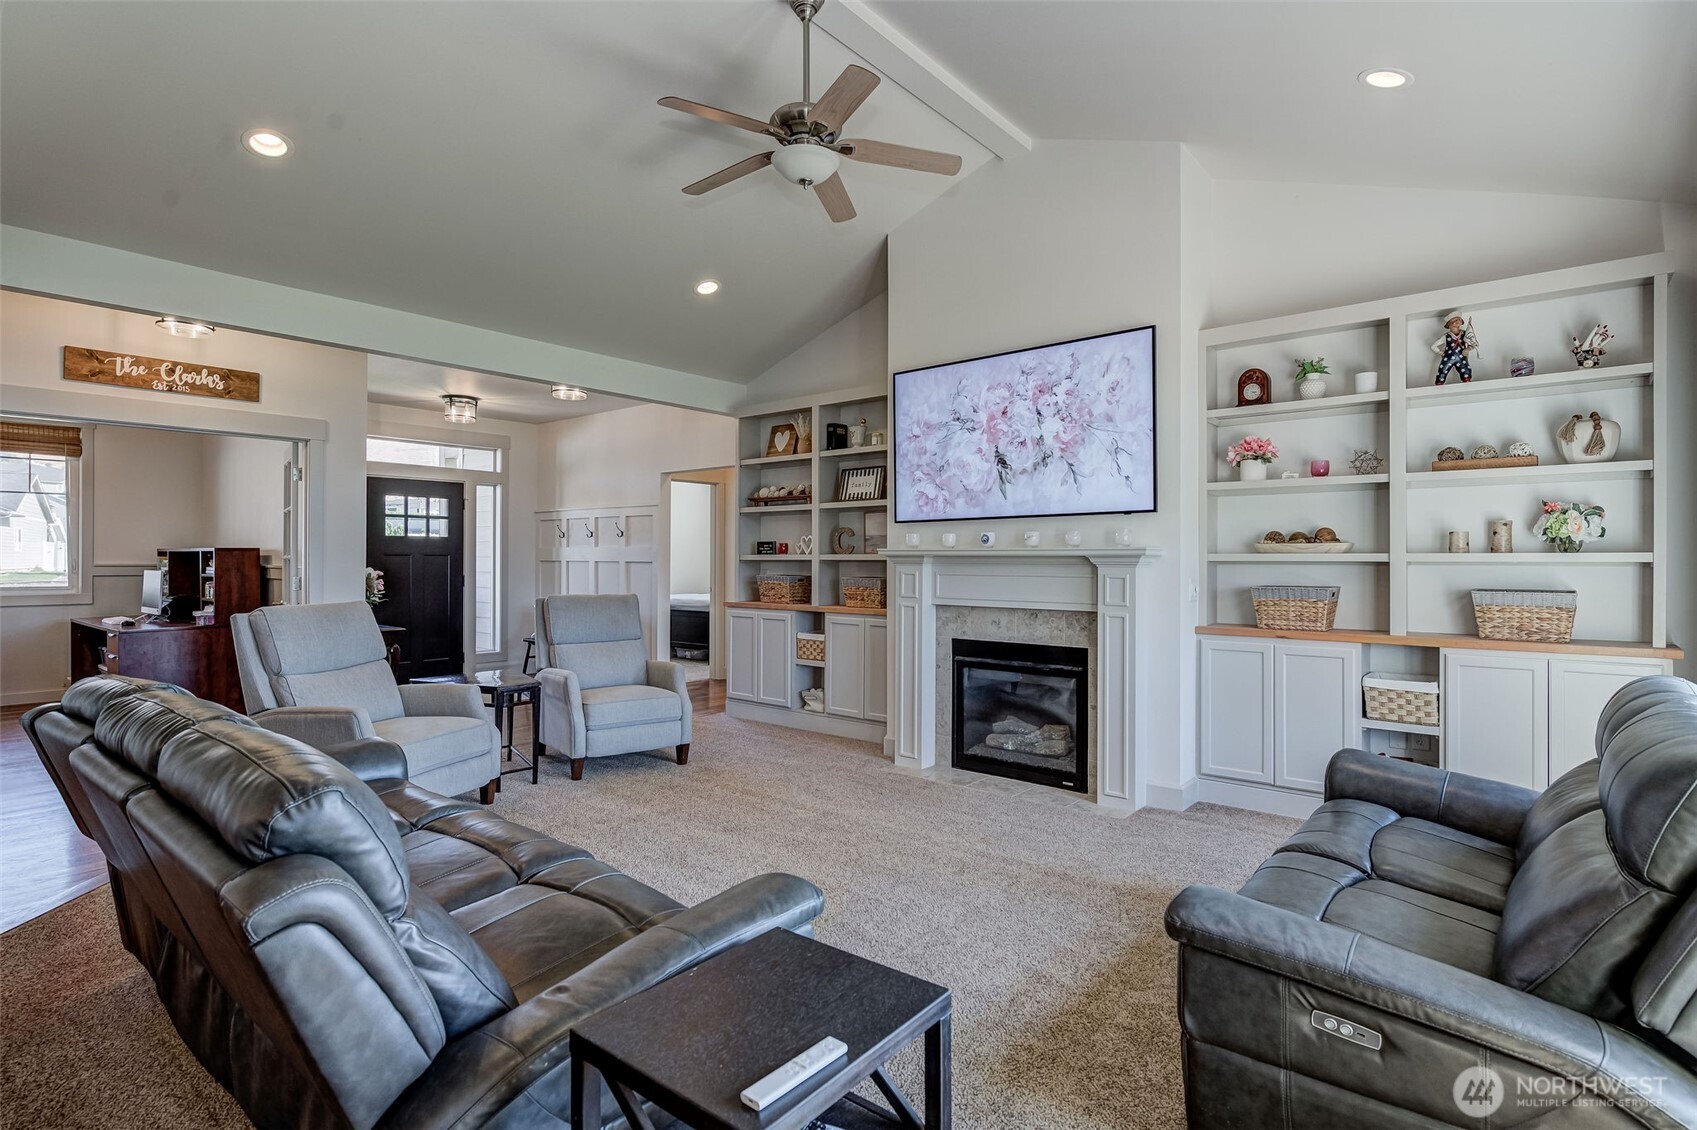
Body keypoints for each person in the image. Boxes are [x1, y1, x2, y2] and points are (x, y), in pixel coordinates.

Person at [1431, 310, 1479, 384]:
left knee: (1466, 372)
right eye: (1455, 320)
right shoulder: (1446, 336)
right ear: (1449, 324)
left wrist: (1468, 349)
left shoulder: (1465, 334)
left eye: (1459, 320)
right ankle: (1439, 384)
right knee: (1442, 371)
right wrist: (1441, 353)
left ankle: (1467, 383)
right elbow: (1433, 346)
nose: (1457, 322)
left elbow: (1474, 344)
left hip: (1461, 358)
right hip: (1448, 358)